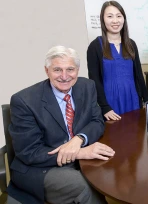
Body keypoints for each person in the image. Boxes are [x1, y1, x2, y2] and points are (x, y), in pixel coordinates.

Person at [8, 46, 115, 204]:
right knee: (83, 186)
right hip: (41, 167)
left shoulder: (87, 86)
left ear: (77, 70)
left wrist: (78, 139)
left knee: (116, 169)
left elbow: (97, 121)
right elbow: (29, 152)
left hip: (78, 160)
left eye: (70, 69)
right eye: (57, 69)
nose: (64, 76)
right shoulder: (24, 101)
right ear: (47, 70)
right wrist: (79, 152)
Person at [87, 0, 148, 121]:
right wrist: (105, 107)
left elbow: (139, 76)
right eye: (110, 16)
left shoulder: (131, 44)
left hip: (133, 99)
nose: (115, 20)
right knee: (114, 137)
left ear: (124, 19)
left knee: (135, 136)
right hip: (110, 102)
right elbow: (94, 81)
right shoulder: (95, 46)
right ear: (103, 19)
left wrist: (147, 101)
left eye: (119, 16)